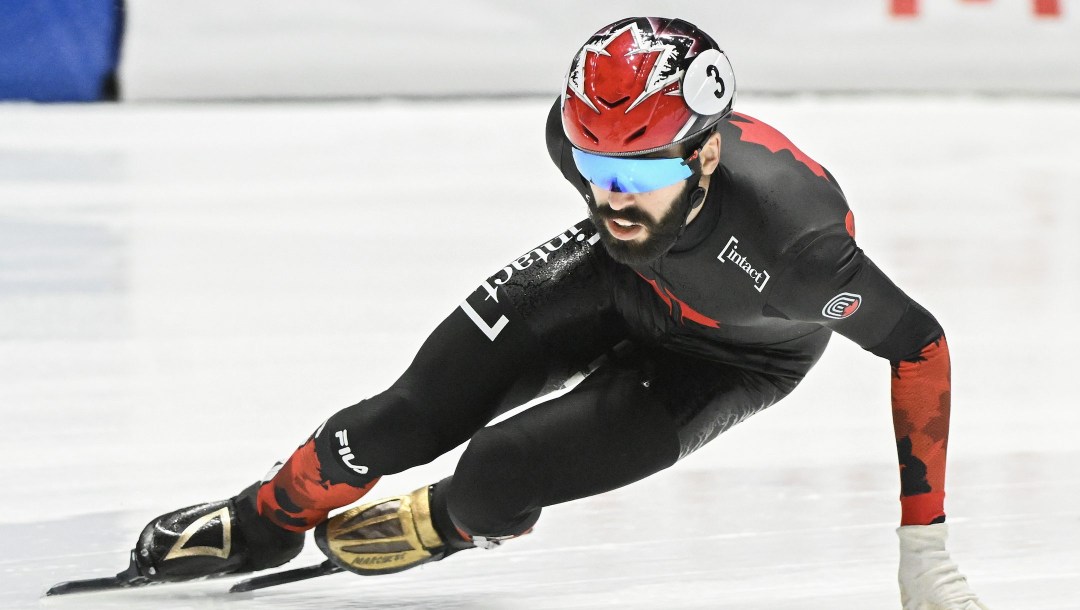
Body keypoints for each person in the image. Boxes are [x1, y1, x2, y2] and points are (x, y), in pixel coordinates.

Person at [121, 17, 988, 608]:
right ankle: (266, 517)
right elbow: (613, 193)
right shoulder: (584, 147)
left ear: (708, 151)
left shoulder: (796, 252)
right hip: (614, 282)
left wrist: (925, 545)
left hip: (730, 358)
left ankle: (451, 524)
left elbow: (921, 346)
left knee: (496, 475)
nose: (612, 194)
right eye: (592, 166)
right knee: (395, 422)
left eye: (643, 174)